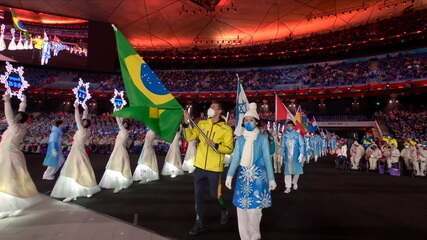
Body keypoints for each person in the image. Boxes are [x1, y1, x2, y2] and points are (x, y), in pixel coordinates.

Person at [225, 102, 276, 240]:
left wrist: (271, 178)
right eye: (246, 120)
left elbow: (267, 159)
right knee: (241, 208)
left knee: (255, 209)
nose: (248, 123)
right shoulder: (240, 140)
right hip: (242, 177)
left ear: (256, 121)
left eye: (251, 120)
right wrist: (229, 176)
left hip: (259, 177)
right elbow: (235, 159)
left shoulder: (263, 138)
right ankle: (245, 237)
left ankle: (254, 234)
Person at [183, 101, 234, 236]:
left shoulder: (226, 129)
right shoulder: (202, 124)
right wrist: (187, 123)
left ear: (220, 111)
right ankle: (199, 223)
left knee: (215, 195)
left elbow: (229, 149)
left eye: (214, 107)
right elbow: (189, 137)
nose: (211, 109)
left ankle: (223, 209)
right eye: (211, 107)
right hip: (199, 167)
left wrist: (216, 146)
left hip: (214, 169)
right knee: (198, 196)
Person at [0, 93, 42, 219]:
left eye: (18, 116)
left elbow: (9, 114)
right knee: (10, 180)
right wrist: (23, 101)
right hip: (9, 154)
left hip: (9, 155)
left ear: (20, 119)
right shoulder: (21, 126)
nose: (16, 116)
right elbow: (21, 112)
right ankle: (12, 206)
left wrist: (7, 101)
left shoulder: (15, 127)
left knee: (9, 179)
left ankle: (10, 206)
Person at [50, 102, 100, 202]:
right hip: (76, 150)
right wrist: (85, 109)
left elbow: (78, 119)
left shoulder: (82, 130)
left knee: (78, 169)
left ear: (86, 124)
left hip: (78, 151)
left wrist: (76, 108)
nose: (83, 122)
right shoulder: (85, 130)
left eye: (84, 122)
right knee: (78, 168)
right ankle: (76, 191)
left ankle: (83, 189)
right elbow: (82, 119)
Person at [99, 117, 132, 193]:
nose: (124, 124)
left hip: (120, 151)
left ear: (127, 126)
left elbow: (119, 122)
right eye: (124, 123)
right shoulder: (123, 131)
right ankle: (117, 183)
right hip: (117, 150)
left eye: (126, 124)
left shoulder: (124, 131)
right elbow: (120, 122)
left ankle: (119, 184)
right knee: (116, 166)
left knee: (119, 166)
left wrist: (117, 112)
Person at [281, 120, 304, 194]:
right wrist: (281, 154)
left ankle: (295, 182)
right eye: (288, 126)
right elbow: (282, 146)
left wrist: (301, 154)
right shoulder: (284, 136)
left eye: (290, 126)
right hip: (287, 158)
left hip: (296, 157)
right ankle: (288, 187)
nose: (289, 127)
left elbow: (302, 145)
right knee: (287, 172)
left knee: (297, 171)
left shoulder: (297, 135)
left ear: (293, 126)